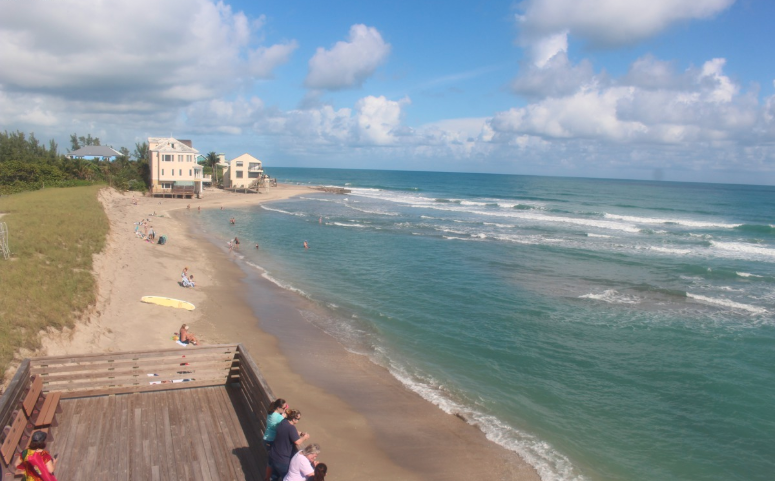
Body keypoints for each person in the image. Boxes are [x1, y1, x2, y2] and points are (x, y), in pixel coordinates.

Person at [269, 409, 309, 481]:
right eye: (298, 419)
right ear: (293, 419)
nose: (298, 421)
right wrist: (304, 437)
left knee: (274, 477)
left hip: (274, 455)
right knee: (286, 478)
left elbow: (293, 431)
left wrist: (300, 433)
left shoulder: (284, 421)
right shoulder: (291, 428)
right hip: (282, 459)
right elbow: (297, 442)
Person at [263, 398, 288, 481]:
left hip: (266, 438)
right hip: (271, 441)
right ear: (278, 408)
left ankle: (267, 478)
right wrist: (284, 418)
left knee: (270, 461)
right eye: (284, 408)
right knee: (273, 462)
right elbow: (287, 426)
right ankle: (270, 478)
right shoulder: (278, 417)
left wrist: (282, 414)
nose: (285, 410)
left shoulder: (271, 412)